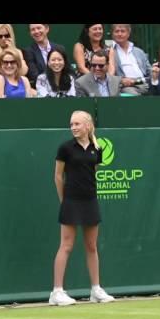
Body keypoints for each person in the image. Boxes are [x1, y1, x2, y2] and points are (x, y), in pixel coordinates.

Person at [50, 110, 115, 306]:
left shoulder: (97, 149)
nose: (73, 127)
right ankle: (57, 292)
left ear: (88, 125)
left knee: (91, 246)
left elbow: (91, 173)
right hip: (71, 201)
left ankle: (96, 290)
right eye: (71, 124)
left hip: (90, 201)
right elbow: (58, 176)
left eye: (77, 124)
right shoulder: (65, 148)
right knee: (66, 245)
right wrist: (64, 200)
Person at [111, 24, 152, 95]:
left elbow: (150, 71)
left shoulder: (139, 51)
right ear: (113, 34)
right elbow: (108, 75)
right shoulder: (110, 51)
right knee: (132, 96)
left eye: (123, 31)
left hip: (142, 81)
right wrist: (120, 81)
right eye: (116, 31)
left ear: (128, 34)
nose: (119, 34)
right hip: (126, 85)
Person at [23, 24, 65, 88]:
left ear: (47, 29)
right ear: (30, 33)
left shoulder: (60, 48)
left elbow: (68, 70)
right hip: (42, 88)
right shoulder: (28, 52)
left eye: (39, 28)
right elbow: (34, 75)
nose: (36, 31)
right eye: (33, 29)